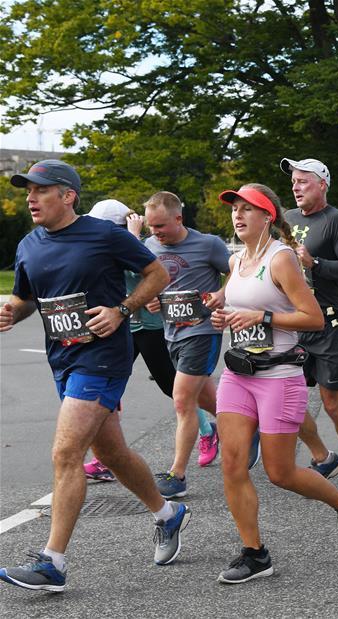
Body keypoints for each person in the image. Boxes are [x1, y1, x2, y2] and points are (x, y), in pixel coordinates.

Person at [0, 160, 190, 592]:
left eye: (40, 190)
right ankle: (167, 514)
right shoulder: (29, 244)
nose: (30, 198)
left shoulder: (104, 234)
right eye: (27, 190)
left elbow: (157, 274)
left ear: (67, 195)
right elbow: (27, 296)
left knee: (66, 452)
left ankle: (53, 563)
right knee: (112, 452)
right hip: (62, 359)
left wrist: (122, 310)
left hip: (102, 357)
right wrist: (12, 311)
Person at [212, 183, 338, 584]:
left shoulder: (280, 259)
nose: (238, 215)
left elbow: (313, 318)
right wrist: (221, 315)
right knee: (232, 464)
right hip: (238, 374)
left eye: (249, 209)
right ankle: (255, 553)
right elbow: (234, 309)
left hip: (279, 376)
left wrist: (263, 318)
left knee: (279, 472)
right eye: (235, 209)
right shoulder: (235, 262)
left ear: (268, 217)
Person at [82, 200, 219, 482]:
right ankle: (104, 458)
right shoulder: (102, 246)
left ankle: (209, 431)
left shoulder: (135, 243)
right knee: (109, 389)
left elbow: (140, 271)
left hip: (153, 327)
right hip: (122, 327)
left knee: (176, 391)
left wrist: (132, 236)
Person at [280, 157, 338, 493]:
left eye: (303, 181)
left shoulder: (336, 220)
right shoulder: (287, 219)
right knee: (286, 398)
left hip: (331, 321)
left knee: (332, 402)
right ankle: (322, 457)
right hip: (296, 323)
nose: (296, 186)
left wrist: (315, 263)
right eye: (293, 182)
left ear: (322, 184)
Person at [143, 191, 231, 498]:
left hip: (202, 331)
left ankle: (177, 475)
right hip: (172, 333)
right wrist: (151, 299)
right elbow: (150, 282)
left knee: (182, 400)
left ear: (179, 218)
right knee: (209, 401)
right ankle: (251, 426)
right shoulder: (149, 246)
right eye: (151, 227)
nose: (156, 233)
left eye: (161, 226)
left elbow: (238, 270)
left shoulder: (208, 244)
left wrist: (223, 292)